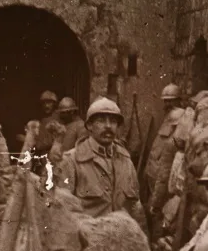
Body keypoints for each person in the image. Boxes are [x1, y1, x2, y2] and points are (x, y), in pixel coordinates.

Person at [56, 96, 147, 232]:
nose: (108, 126)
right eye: (101, 121)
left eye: (113, 121)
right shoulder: (71, 161)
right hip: (88, 245)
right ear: (89, 126)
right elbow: (61, 213)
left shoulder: (126, 161)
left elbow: (135, 207)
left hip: (121, 243)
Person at [145, 84, 191, 226]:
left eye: (171, 100)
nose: (167, 104)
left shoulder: (182, 119)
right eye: (165, 101)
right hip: (153, 175)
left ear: (179, 100)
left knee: (159, 217)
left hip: (165, 179)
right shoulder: (167, 118)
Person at [20, 90, 61, 174]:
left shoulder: (56, 119)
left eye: (49, 103)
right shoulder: (44, 120)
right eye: (44, 103)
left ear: (54, 104)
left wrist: (28, 140)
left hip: (52, 158)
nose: (46, 106)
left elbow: (47, 142)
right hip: (44, 158)